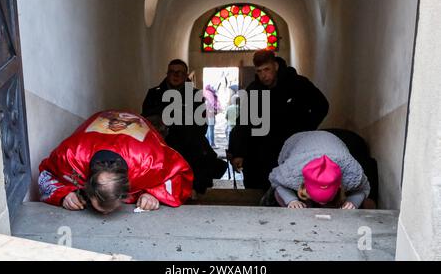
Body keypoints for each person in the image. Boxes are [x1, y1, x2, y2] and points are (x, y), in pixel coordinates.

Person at [38, 111, 193, 214]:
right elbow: (47, 172)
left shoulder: (151, 161)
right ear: (86, 186)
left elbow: (180, 173)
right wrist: (64, 194)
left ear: (128, 189)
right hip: (100, 122)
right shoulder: (70, 155)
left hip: (138, 142)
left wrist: (153, 194)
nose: (106, 214)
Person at [229, 50, 329, 191]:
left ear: (275, 66)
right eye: (259, 71)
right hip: (259, 153)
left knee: (289, 191)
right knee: (258, 192)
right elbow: (243, 123)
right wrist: (238, 152)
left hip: (290, 149)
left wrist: (305, 130)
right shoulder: (253, 90)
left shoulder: (298, 84)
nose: (264, 75)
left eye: (267, 69)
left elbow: (321, 106)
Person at [142, 59, 227, 195]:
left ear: (186, 75)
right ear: (167, 73)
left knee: (192, 187)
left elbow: (201, 125)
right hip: (163, 149)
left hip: (190, 150)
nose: (175, 75)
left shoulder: (195, 96)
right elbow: (146, 121)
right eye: (172, 72)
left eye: (180, 72)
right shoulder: (154, 94)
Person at [269, 131, 371, 209]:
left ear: (339, 188)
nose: (323, 204)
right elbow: (275, 180)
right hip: (297, 141)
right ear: (304, 187)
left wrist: (352, 201)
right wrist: (291, 200)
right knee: (291, 201)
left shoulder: (352, 173)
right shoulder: (291, 172)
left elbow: (364, 188)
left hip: (332, 139)